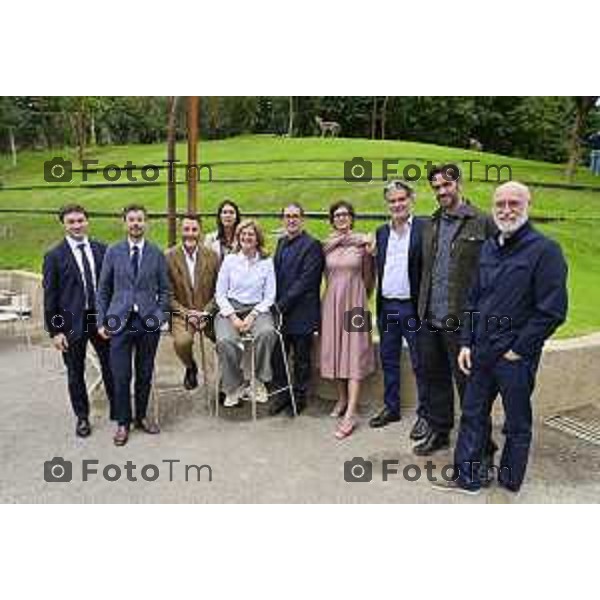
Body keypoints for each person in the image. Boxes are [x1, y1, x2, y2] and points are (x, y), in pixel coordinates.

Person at [433, 182, 568, 494]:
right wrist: (466, 342)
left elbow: (552, 311)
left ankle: (509, 480)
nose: (506, 210)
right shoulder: (490, 246)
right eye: (500, 204)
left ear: (528, 205)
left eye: (514, 204)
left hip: (514, 358)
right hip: (480, 351)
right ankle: (467, 478)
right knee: (472, 414)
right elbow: (473, 298)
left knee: (517, 423)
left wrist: (518, 350)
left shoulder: (545, 251)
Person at [415, 164, 496, 457]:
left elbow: (498, 271)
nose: (441, 192)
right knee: (435, 379)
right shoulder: (431, 223)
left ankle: (482, 446)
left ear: (458, 183)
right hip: (429, 318)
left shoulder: (483, 222)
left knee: (470, 388)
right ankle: (439, 432)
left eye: (446, 185)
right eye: (436, 187)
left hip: (462, 323)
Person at [97, 204, 170, 446]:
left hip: (148, 321)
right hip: (119, 321)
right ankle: (122, 422)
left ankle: (140, 417)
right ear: (124, 223)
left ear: (146, 223)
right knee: (120, 374)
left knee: (144, 373)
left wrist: (160, 316)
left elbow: (165, 290)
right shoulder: (113, 252)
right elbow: (104, 289)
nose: (136, 223)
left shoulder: (156, 253)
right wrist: (101, 321)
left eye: (140, 219)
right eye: (131, 220)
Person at [42, 204, 115, 438]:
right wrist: (55, 331)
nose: (76, 225)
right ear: (63, 224)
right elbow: (50, 296)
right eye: (71, 221)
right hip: (71, 322)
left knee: (111, 366)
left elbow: (112, 288)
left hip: (100, 318)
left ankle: (119, 409)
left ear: (87, 221)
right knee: (75, 372)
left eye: (80, 220)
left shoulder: (103, 250)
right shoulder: (54, 256)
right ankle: (82, 417)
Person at [369, 181, 428, 435]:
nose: (397, 205)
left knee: (421, 362)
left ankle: (426, 414)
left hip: (413, 308)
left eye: (401, 199)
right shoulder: (381, 232)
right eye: (392, 201)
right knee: (389, 360)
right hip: (388, 308)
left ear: (411, 200)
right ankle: (391, 407)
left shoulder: (425, 228)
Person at [320, 200, 376, 439]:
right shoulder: (327, 246)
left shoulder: (363, 244)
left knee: (353, 353)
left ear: (352, 218)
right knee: (335, 351)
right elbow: (325, 276)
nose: (341, 218)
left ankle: (351, 413)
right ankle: (342, 398)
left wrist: (361, 301)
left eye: (345, 214)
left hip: (356, 305)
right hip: (332, 304)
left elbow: (369, 277)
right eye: (337, 215)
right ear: (332, 220)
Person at [214, 219, 277, 407]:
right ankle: (234, 386)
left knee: (267, 333)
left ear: (257, 238)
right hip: (231, 308)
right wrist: (232, 317)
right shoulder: (229, 260)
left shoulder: (267, 262)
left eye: (251, 234)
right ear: (238, 237)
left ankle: (257, 381)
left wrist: (252, 315)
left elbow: (270, 296)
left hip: (258, 308)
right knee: (225, 341)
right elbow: (220, 294)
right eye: (243, 234)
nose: (246, 237)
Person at [270, 202, 324, 416]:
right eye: (287, 216)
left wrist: (280, 305)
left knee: (302, 359)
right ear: (283, 220)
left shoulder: (312, 245)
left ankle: (299, 398)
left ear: (302, 219)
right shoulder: (282, 242)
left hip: (302, 312)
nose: (291, 220)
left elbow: (306, 281)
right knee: (279, 356)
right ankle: (283, 395)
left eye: (295, 216)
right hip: (281, 313)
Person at [165, 214, 219, 390]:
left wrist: (206, 311)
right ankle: (190, 367)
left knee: (227, 341)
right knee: (182, 342)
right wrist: (187, 314)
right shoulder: (168, 257)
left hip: (208, 312)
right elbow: (167, 294)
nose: (190, 234)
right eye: (186, 229)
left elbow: (220, 291)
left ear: (200, 232)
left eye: (194, 229)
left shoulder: (212, 256)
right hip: (181, 313)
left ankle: (229, 381)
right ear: (181, 231)